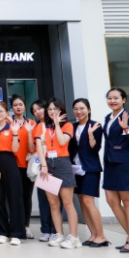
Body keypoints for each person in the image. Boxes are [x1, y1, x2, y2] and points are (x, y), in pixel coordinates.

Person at [36, 97, 80, 249]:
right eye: (49, 109)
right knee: (53, 204)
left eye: (55, 109)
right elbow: (39, 147)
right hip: (47, 164)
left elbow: (62, 141)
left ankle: (74, 237)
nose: (52, 111)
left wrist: (56, 124)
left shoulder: (67, 125)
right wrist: (43, 165)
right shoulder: (43, 127)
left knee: (67, 203)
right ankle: (59, 234)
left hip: (62, 163)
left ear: (61, 110)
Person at [102, 88, 129, 253]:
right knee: (111, 200)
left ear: (123, 100)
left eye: (116, 98)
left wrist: (126, 129)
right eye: (109, 98)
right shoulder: (108, 118)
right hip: (110, 163)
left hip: (125, 163)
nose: (112, 101)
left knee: (127, 200)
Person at [0, 101, 26, 246]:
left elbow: (15, 149)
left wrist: (14, 133)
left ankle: (16, 233)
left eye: (1, 111)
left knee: (14, 197)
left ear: (7, 113)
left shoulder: (13, 128)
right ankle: (1, 232)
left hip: (10, 163)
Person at [70, 98, 107, 247]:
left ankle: (101, 236)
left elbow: (95, 148)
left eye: (82, 108)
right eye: (76, 109)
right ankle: (93, 235)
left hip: (90, 168)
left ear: (89, 110)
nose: (79, 111)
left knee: (88, 201)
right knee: (81, 200)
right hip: (76, 168)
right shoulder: (72, 126)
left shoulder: (95, 125)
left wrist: (91, 134)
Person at [28, 99, 54, 242]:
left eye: (39, 108)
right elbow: (32, 148)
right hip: (41, 164)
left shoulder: (55, 124)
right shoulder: (37, 126)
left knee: (54, 199)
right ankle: (45, 230)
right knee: (43, 198)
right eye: (34, 110)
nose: (37, 112)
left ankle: (55, 230)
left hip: (55, 163)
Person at [10, 95, 36, 240]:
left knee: (27, 196)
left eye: (20, 104)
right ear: (12, 107)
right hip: (13, 165)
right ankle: (15, 226)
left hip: (28, 166)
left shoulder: (31, 123)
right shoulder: (8, 123)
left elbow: (33, 147)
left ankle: (26, 226)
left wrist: (30, 131)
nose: (18, 107)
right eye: (15, 105)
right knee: (14, 197)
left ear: (25, 106)